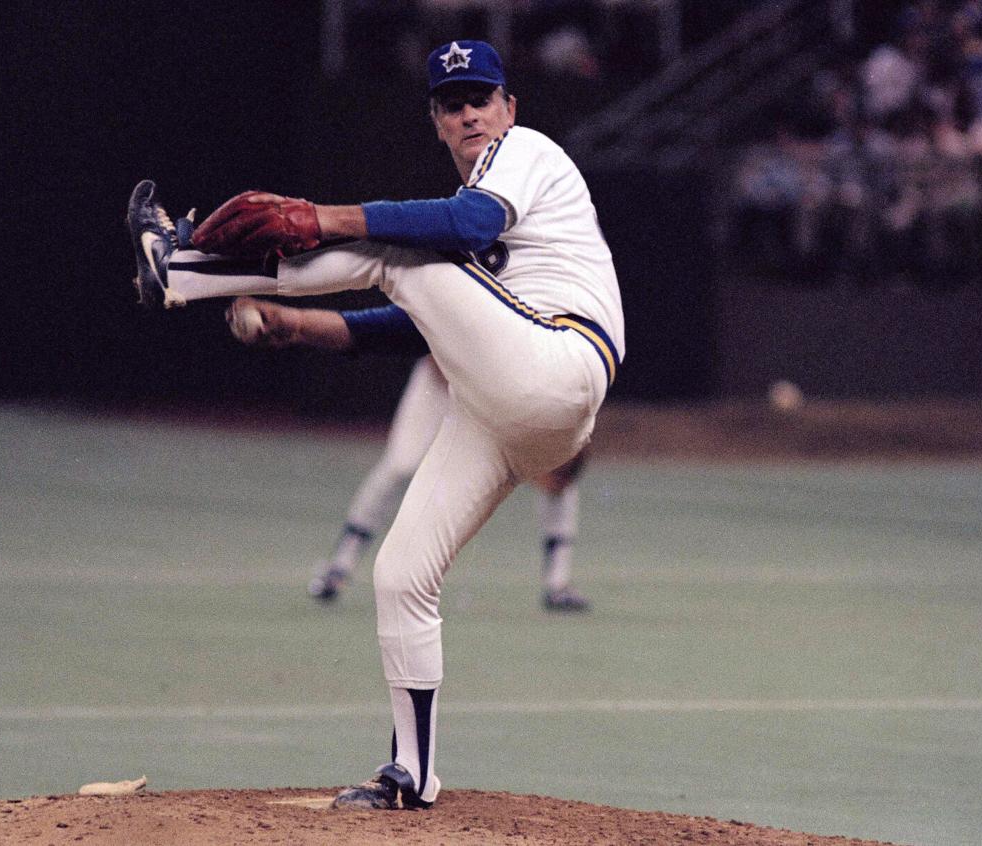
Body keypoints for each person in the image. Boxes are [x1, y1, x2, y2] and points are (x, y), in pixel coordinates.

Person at [125, 39, 623, 812]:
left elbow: (460, 224)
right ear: (435, 121)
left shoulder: (526, 152)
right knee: (401, 575)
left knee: (402, 252)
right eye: (452, 105)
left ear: (510, 107)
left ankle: (183, 272)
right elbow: (412, 325)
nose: (470, 115)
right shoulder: (470, 226)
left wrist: (319, 218)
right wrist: (298, 326)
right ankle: (412, 775)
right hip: (503, 411)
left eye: (481, 99)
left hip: (561, 359)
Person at [223, 295, 592, 612]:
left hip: (499, 393)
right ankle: (339, 567)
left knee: (556, 463)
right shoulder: (479, 284)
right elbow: (438, 351)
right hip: (441, 381)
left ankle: (557, 584)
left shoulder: (547, 306)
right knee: (401, 466)